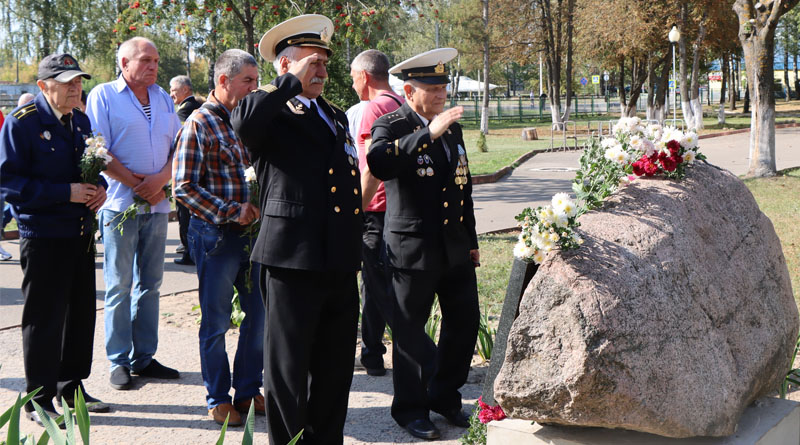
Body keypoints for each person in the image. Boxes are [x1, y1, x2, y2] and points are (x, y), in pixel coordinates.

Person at [231, 14, 363, 445]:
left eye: (324, 62)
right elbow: (244, 123)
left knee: (335, 366)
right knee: (288, 370)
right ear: (285, 66)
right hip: (291, 257)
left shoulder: (334, 114)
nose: (321, 71)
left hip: (338, 256)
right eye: (312, 63)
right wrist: (287, 83)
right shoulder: (271, 108)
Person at [366, 48, 480, 440]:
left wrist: (472, 239)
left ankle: (445, 396)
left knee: (464, 325)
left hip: (454, 246)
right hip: (412, 249)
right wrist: (427, 133)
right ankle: (411, 410)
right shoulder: (391, 123)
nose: (440, 95)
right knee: (412, 333)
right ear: (409, 90)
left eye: (443, 87)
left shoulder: (453, 126)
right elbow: (379, 163)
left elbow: (461, 188)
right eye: (431, 88)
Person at [0, 53, 110, 427]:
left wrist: (101, 191)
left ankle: (71, 386)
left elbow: (94, 166)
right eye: (67, 82)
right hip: (44, 236)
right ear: (44, 86)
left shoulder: (80, 119)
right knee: (44, 320)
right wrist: (67, 193)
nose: (76, 88)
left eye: (79, 81)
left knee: (81, 316)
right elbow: (10, 183)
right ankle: (39, 399)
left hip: (79, 233)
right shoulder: (22, 123)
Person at [173, 49, 265, 427]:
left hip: (253, 236)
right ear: (224, 81)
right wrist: (231, 210)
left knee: (258, 316)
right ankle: (217, 397)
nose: (254, 89)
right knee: (215, 322)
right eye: (249, 82)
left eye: (257, 82)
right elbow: (182, 187)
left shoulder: (247, 120)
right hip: (216, 236)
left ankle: (246, 391)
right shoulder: (199, 123)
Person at [86, 36, 182, 391]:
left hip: (157, 205)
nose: (154, 66)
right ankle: (118, 361)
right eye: (145, 60)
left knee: (151, 286)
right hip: (120, 207)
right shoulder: (104, 96)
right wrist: (135, 183)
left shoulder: (162, 98)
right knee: (119, 286)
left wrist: (160, 182)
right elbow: (97, 149)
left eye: (156, 60)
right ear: (124, 63)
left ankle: (145, 356)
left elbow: (178, 147)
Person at [349, 49, 405, 377]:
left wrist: (356, 210)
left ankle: (420, 354)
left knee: (383, 288)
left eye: (354, 76)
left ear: (365, 76)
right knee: (373, 284)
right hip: (395, 208)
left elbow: (371, 167)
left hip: (375, 210)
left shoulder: (374, 108)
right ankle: (372, 353)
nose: (353, 82)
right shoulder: (400, 103)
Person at [169, 75, 202, 266]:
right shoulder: (191, 106)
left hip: (185, 168)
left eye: (174, 90)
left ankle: (189, 253)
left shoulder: (185, 109)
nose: (171, 94)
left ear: (185, 90)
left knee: (184, 214)